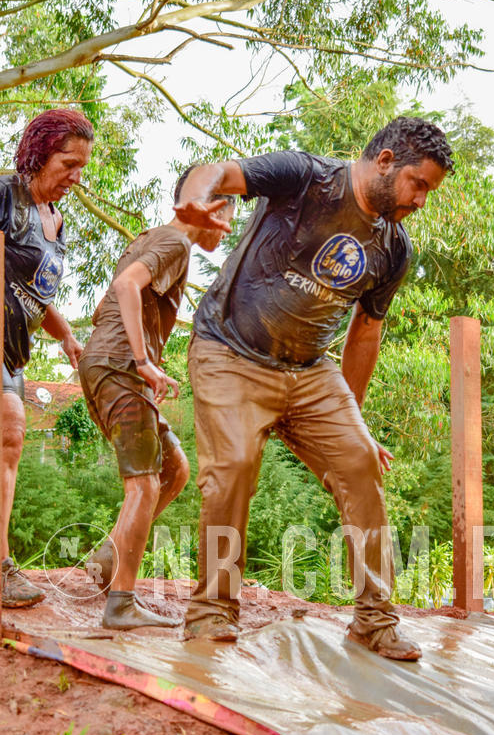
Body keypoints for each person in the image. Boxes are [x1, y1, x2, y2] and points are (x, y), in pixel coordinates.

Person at [174, 116, 453, 660]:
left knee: (359, 463)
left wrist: (351, 420)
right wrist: (195, 199)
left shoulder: (393, 247)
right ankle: (211, 612)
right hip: (230, 351)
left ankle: (374, 620)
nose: (421, 200)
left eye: (429, 192)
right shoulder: (304, 176)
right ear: (387, 160)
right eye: (418, 184)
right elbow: (214, 173)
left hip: (309, 370)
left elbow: (365, 331)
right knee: (230, 468)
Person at [79, 178, 234, 630]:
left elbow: (106, 302)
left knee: (174, 468)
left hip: (106, 363)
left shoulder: (151, 237)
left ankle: (110, 556)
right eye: (226, 217)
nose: (225, 228)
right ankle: (121, 603)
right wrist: (144, 360)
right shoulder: (175, 243)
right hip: (121, 366)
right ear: (210, 207)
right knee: (144, 484)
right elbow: (127, 285)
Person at [1, 109, 94, 608]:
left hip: (14, 354)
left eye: (82, 166)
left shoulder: (57, 223)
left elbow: (36, 294)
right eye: (68, 162)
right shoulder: (4, 195)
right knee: (10, 430)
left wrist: (68, 338)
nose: (75, 176)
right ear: (39, 153)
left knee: (9, 444)